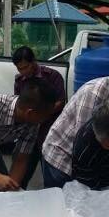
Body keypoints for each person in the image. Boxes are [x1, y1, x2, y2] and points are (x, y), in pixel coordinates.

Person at [12, 45, 66, 183]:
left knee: (51, 175)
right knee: (21, 173)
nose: (23, 72)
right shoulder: (20, 81)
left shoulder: (52, 76)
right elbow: (19, 104)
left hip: (50, 131)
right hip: (28, 131)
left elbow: (60, 101)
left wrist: (41, 114)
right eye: (19, 68)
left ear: (33, 61)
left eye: (26, 67)